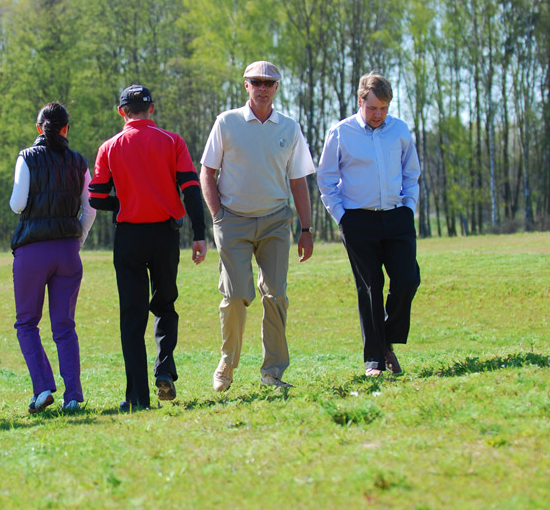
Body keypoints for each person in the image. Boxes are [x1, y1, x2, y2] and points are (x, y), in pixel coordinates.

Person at [89, 84, 207, 412]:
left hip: (128, 237)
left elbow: (96, 197)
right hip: (165, 235)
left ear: (121, 112)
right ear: (152, 109)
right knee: (165, 304)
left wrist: (124, 200)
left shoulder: (109, 147)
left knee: (132, 316)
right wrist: (200, 232)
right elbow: (191, 189)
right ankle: (165, 368)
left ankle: (138, 398)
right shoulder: (172, 141)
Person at [200, 61, 314, 392]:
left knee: (276, 294)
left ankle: (273, 373)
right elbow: (207, 171)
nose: (263, 87)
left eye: (269, 82)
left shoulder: (289, 128)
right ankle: (227, 362)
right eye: (256, 82)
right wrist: (218, 215)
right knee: (236, 296)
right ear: (246, 85)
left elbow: (298, 180)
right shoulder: (227, 122)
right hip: (232, 220)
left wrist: (306, 229)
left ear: (277, 87)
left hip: (276, 220)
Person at [317, 71, 421, 377]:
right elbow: (325, 179)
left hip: (397, 216)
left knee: (407, 280)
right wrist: (342, 217)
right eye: (373, 108)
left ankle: (386, 338)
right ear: (360, 101)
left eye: (384, 108)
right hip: (357, 220)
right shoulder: (341, 132)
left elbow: (411, 173)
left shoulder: (400, 131)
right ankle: (374, 359)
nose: (379, 114)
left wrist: (409, 208)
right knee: (371, 288)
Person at [9, 102, 96, 414]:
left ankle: (43, 387)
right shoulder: (79, 161)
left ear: (38, 128)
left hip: (33, 249)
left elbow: (18, 204)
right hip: (67, 251)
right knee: (64, 326)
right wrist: (78, 239)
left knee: (27, 323)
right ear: (66, 129)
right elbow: (91, 207)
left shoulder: (27, 158)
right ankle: (72, 395)